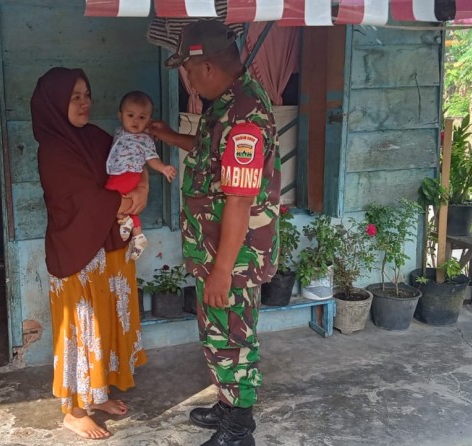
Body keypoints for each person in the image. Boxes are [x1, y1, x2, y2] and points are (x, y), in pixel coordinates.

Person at [148, 20, 280, 446]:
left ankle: (239, 430)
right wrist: (169, 136)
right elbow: (209, 153)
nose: (187, 79)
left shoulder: (243, 117)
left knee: (233, 341)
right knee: (219, 336)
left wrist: (222, 271)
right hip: (217, 254)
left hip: (234, 259)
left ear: (205, 67)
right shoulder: (225, 104)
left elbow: (240, 202)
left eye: (187, 71)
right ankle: (227, 405)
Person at [31, 67, 149, 440]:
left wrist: (142, 187)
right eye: (74, 96)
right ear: (54, 102)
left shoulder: (98, 138)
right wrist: (124, 202)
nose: (84, 103)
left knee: (105, 323)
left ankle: (96, 396)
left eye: (86, 95)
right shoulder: (53, 150)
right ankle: (74, 409)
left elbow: (136, 158)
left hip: (108, 248)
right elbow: (81, 198)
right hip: (76, 253)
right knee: (80, 328)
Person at [105, 91, 177, 261]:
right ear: (120, 115)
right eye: (130, 115)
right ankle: (138, 236)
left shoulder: (143, 139)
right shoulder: (120, 131)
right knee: (129, 203)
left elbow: (152, 158)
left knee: (108, 198)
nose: (135, 121)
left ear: (149, 121)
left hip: (127, 175)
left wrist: (163, 168)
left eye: (142, 117)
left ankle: (123, 219)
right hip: (123, 176)